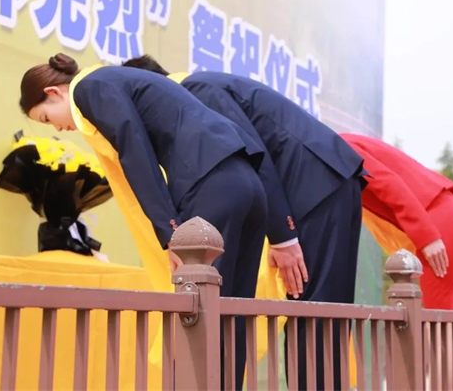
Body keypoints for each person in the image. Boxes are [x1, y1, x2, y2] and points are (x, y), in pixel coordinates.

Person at [20, 53, 268, 390]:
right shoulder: (113, 79)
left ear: (54, 92)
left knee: (200, 312)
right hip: (247, 182)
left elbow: (134, 151)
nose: (59, 128)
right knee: (231, 311)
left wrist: (171, 231)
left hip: (209, 181)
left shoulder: (90, 87)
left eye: (47, 118)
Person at [122, 55, 366, 391]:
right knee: (323, 315)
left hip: (313, 187)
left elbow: (254, 156)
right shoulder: (204, 87)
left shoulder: (197, 90)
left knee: (314, 314)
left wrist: (283, 237)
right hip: (328, 182)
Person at [342, 133, 453, 311]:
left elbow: (388, 184)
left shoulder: (340, 146)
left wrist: (426, 236)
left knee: (443, 322)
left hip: (438, 223)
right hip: (450, 217)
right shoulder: (342, 145)